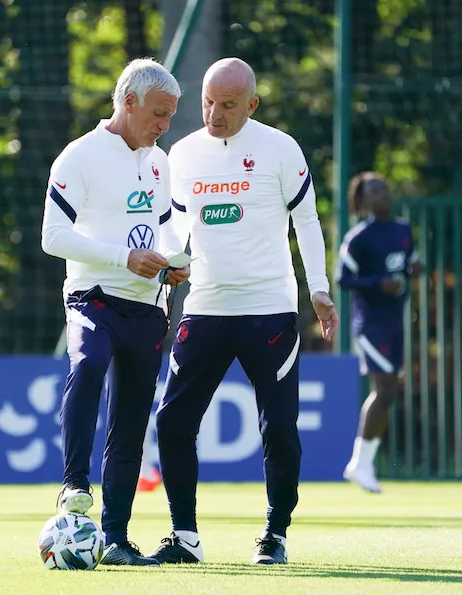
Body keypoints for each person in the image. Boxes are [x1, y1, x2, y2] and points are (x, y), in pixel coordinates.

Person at [146, 58, 338, 566]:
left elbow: (308, 222)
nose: (214, 113)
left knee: (277, 426)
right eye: (208, 101)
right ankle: (184, 536)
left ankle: (275, 535)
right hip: (204, 307)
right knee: (172, 420)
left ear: (251, 104)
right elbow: (172, 230)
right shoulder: (181, 154)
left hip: (269, 310)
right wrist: (167, 283)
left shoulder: (280, 148)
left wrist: (318, 289)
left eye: (228, 105)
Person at [40, 58, 188, 567]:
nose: (164, 126)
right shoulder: (78, 157)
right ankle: (74, 485)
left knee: (129, 423)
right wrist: (123, 258)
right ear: (128, 102)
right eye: (159, 114)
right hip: (94, 296)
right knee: (86, 366)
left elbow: (166, 229)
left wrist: (174, 263)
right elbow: (52, 237)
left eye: (170, 116)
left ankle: (117, 537)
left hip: (148, 308)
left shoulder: (159, 161)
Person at [337, 172, 421, 493]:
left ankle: (363, 463)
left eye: (385, 188)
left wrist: (415, 269)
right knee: (383, 388)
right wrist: (378, 284)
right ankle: (360, 463)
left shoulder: (402, 230)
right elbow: (344, 280)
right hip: (370, 324)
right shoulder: (358, 238)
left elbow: (408, 263)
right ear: (363, 200)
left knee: (389, 392)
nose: (382, 194)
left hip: (396, 321)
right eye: (374, 191)